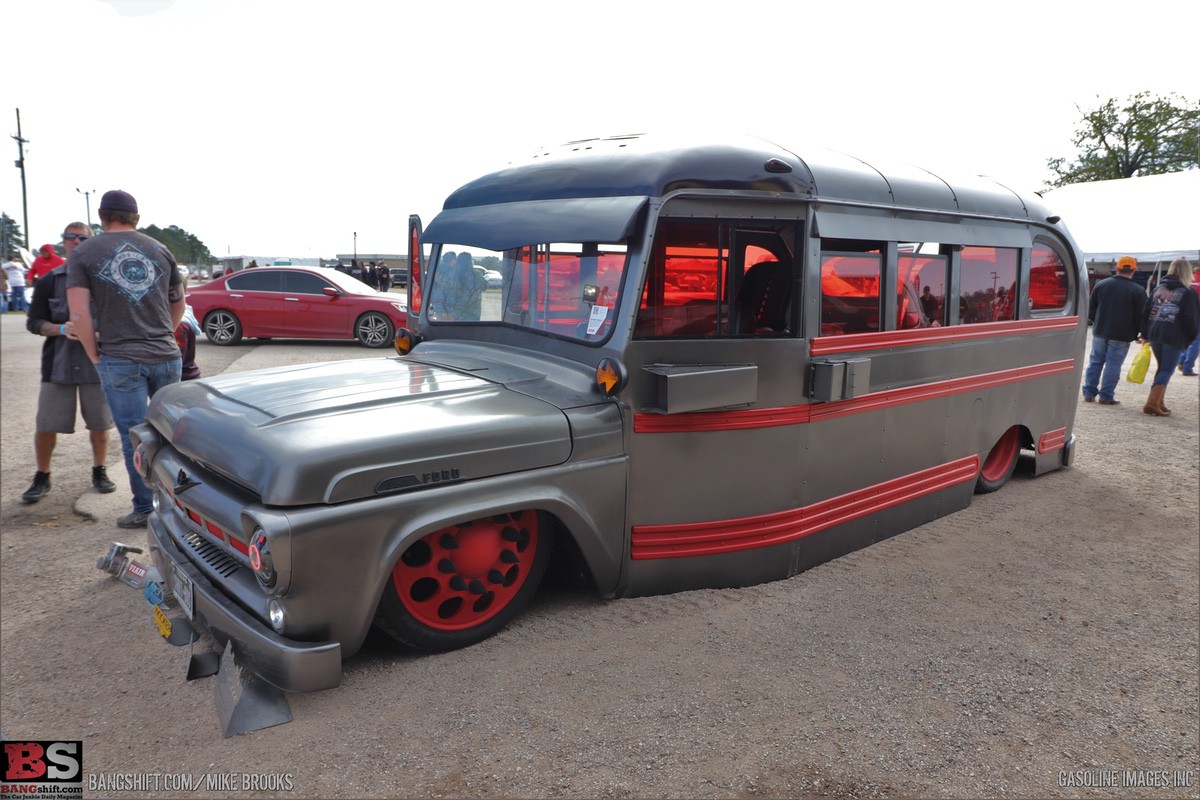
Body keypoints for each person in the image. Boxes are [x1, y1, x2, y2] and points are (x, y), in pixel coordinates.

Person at [66, 189, 185, 528]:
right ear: (136, 216)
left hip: (119, 357)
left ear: (102, 216)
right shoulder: (159, 249)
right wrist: (163, 334)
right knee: (168, 437)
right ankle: (176, 507)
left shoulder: (85, 252)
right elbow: (179, 303)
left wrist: (94, 355)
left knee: (135, 437)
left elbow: (78, 313)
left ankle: (146, 508)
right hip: (165, 354)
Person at [21, 222, 116, 503]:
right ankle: (42, 476)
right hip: (58, 364)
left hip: (95, 362)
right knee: (46, 424)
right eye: (70, 237)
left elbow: (116, 318)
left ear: (91, 241)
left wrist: (99, 332)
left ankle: (100, 471)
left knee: (100, 424)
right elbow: (33, 322)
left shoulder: (105, 279)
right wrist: (60, 329)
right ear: (63, 242)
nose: (76, 241)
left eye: (82, 237)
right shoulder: (49, 280)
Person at [1082, 255, 1146, 405]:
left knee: (1095, 362)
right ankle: (1106, 396)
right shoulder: (1138, 290)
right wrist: (1141, 333)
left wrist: (1096, 321)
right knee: (1113, 364)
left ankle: (1089, 394)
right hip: (1122, 334)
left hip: (1100, 330)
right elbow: (1141, 315)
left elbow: (1091, 308)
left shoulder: (1101, 285)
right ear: (1134, 270)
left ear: (1116, 268)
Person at [1141, 257, 1199, 417]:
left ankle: (1159, 401)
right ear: (1187, 272)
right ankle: (1152, 403)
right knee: (1167, 369)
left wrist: (1145, 334)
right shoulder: (1188, 292)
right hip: (1174, 335)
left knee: (1162, 368)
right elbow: (1192, 318)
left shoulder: (1158, 289)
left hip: (1155, 332)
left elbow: (1146, 312)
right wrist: (1191, 337)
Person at [1177, 279, 1200, 376]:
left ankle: (1181, 360)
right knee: (1196, 341)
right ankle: (1187, 367)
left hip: (1186, 312)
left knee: (1188, 338)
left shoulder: (1190, 279)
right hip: (1197, 312)